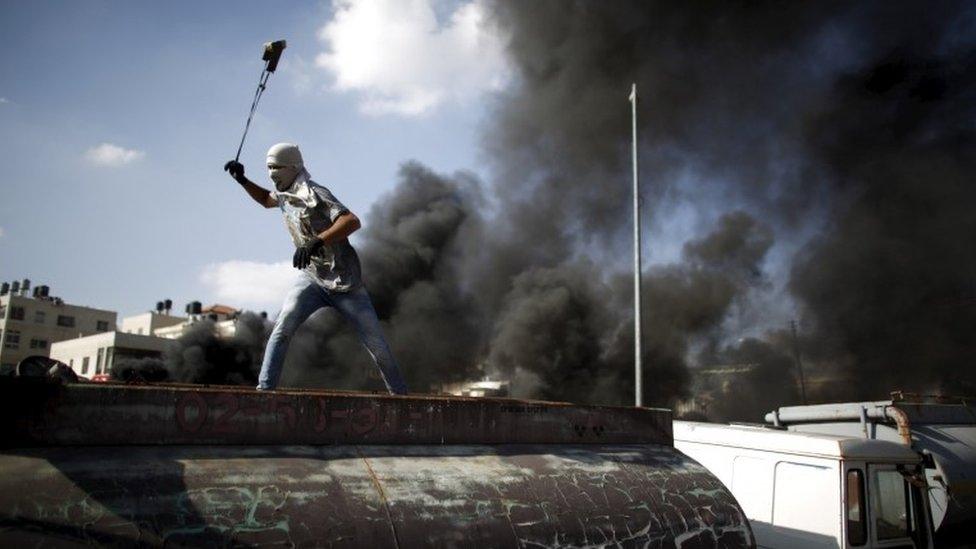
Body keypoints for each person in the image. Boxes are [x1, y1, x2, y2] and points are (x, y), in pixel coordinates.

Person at [223, 143, 408, 394]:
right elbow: (267, 200)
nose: (272, 173)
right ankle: (264, 391)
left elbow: (351, 221)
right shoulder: (284, 194)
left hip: (346, 283)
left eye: (276, 167)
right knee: (282, 330)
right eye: (268, 167)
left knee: (378, 348)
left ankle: (401, 399)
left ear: (293, 167)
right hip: (311, 278)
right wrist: (243, 180)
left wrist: (317, 241)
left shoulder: (315, 193)